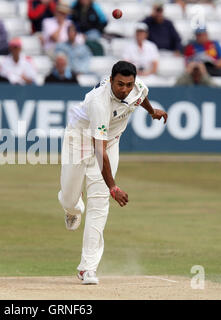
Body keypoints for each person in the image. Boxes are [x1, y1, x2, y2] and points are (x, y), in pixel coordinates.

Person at [58, 60, 167, 285]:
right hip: (78, 140)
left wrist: (152, 111)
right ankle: (73, 209)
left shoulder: (137, 88)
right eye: (120, 84)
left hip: (110, 143)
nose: (124, 89)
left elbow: (140, 96)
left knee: (99, 203)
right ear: (110, 80)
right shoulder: (100, 102)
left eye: (129, 84)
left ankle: (87, 268)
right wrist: (113, 187)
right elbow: (99, 150)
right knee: (69, 198)